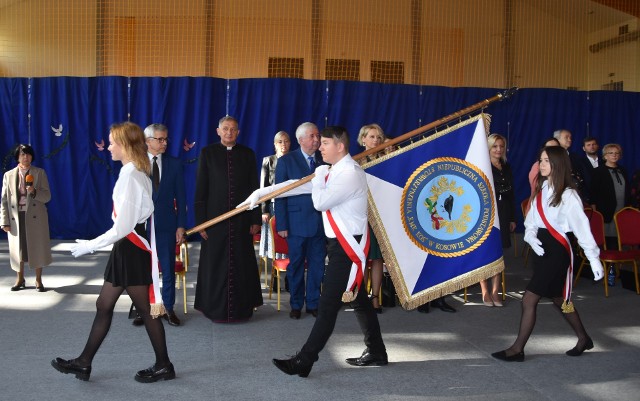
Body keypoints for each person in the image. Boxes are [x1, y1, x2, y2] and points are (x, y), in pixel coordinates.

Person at [239, 126, 387, 377]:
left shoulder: (350, 173)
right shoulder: (333, 171)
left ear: (340, 146)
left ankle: (304, 360)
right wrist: (260, 193)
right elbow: (296, 186)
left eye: (326, 143)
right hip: (340, 245)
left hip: (348, 248)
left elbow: (320, 201)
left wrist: (318, 177)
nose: (320, 147)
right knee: (359, 299)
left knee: (328, 304)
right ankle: (377, 351)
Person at [51, 122, 175, 382]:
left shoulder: (132, 175)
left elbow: (122, 227)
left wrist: (89, 245)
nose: (108, 146)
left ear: (126, 145)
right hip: (128, 249)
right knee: (104, 304)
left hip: (129, 249)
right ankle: (84, 363)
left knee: (146, 310)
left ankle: (164, 365)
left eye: (112, 142)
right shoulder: (136, 171)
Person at [492, 146, 604, 362]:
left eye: (546, 161)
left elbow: (582, 229)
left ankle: (517, 349)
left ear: (558, 165)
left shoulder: (569, 195)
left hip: (558, 251)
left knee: (528, 299)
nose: (541, 165)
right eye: (540, 160)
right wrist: (530, 236)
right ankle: (583, 338)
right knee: (559, 298)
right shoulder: (542, 190)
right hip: (541, 250)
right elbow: (531, 220)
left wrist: (593, 258)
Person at [194, 116, 263, 322]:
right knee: (215, 265)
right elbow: (201, 190)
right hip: (215, 222)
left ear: (238, 132)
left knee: (242, 264)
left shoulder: (248, 154)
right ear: (218, 131)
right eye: (225, 129)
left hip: (242, 221)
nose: (229, 132)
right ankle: (214, 308)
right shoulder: (207, 153)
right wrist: (201, 222)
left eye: (233, 129)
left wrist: (255, 219)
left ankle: (242, 309)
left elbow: (255, 190)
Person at [131, 123, 187, 327]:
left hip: (166, 225)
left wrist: (181, 225)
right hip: (140, 226)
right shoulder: (135, 164)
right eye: (160, 139)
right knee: (142, 270)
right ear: (147, 141)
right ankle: (143, 309)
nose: (164, 143)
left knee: (168, 268)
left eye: (166, 139)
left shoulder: (174, 163)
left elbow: (181, 198)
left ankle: (168, 308)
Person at [274, 122, 326, 319]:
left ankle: (313, 303)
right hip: (295, 224)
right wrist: (282, 225)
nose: (316, 140)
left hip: (320, 224)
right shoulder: (287, 161)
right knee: (295, 265)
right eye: (312, 136)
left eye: (317, 135)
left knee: (317, 265)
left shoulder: (324, 160)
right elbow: (279, 194)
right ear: (301, 139)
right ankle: (296, 304)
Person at [1, 144, 52, 292]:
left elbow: (47, 196)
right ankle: (20, 278)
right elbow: (4, 200)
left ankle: (38, 280)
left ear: (32, 156)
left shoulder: (39, 173)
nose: (25, 157)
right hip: (16, 217)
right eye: (22, 154)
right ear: (17, 156)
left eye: (28, 154)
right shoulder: (9, 175)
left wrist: (34, 191)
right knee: (19, 249)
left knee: (37, 248)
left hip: (35, 216)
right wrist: (4, 220)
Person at [480, 133, 515, 307]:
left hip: (504, 211)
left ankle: (496, 290)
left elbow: (512, 194)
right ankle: (485, 290)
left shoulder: (507, 167)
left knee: (499, 252)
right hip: (487, 213)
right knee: (485, 251)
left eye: (501, 146)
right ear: (489, 148)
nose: (498, 149)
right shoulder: (482, 165)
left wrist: (513, 217)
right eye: (495, 146)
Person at [357, 123, 386, 313]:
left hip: (382, 216)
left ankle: (375, 296)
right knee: (363, 257)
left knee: (377, 259)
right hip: (361, 216)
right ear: (363, 139)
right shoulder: (355, 162)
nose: (375, 140)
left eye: (378, 137)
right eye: (372, 136)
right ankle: (363, 298)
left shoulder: (387, 160)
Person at [258, 131, 291, 276]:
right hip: (272, 206)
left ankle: (290, 275)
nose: (283, 144)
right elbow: (263, 187)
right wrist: (264, 209)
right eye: (280, 142)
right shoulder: (268, 160)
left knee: (289, 241)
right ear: (275, 145)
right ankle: (275, 276)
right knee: (274, 242)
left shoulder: (294, 159)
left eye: (286, 141)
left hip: (291, 206)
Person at [591, 143, 630, 250]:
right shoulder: (598, 171)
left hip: (621, 209)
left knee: (619, 238)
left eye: (617, 153)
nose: (614, 155)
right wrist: (595, 211)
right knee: (608, 240)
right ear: (605, 156)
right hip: (605, 211)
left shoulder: (623, 170)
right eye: (611, 153)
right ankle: (608, 265)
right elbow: (593, 193)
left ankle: (617, 265)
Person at [553, 129, 588, 203]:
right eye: (566, 137)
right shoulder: (551, 157)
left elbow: (583, 176)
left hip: (577, 195)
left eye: (570, 137)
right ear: (557, 139)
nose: (569, 139)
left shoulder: (576, 157)